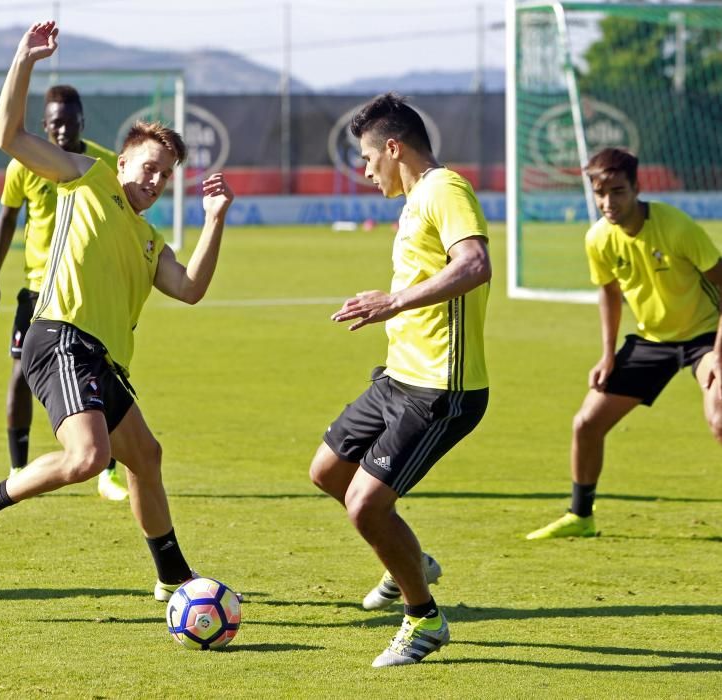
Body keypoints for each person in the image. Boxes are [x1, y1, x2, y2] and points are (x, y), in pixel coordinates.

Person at [0, 21, 234, 603]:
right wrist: (24, 58)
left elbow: (192, 287)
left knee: (145, 457)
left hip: (102, 358)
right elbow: (8, 133)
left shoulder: (150, 240)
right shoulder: (87, 177)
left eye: (166, 175)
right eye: (149, 167)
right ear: (121, 163)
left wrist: (216, 219)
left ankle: (173, 575)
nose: (155, 181)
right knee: (88, 457)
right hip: (60, 339)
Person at [309, 92, 491, 667]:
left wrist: (394, 301)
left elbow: (474, 264)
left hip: (442, 387)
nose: (364, 170)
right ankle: (409, 560)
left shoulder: (445, 188)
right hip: (398, 377)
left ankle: (424, 619)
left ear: (394, 147)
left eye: (367, 158)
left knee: (365, 505)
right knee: (327, 471)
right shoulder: (415, 199)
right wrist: (392, 309)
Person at [526, 148, 722, 540]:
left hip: (706, 335)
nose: (608, 203)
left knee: (720, 416)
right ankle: (581, 517)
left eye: (617, 192)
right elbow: (610, 295)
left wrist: (718, 353)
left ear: (636, 187)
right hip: (652, 340)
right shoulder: (598, 238)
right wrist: (606, 355)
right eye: (600, 194)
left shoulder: (677, 226)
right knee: (585, 424)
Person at [0, 83, 130, 502]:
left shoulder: (100, 163)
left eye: (70, 122)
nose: (63, 130)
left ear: (82, 121)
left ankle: (110, 472)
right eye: (55, 123)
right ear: (44, 125)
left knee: (106, 375)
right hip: (36, 290)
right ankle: (17, 465)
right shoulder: (23, 165)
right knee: (19, 375)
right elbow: (7, 219)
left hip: (85, 287)